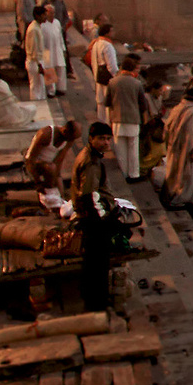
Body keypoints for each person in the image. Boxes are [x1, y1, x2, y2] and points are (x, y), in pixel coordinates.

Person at [71, 123, 119, 311]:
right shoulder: (90, 162)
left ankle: (92, 298)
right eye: (102, 139)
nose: (106, 143)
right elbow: (89, 196)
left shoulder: (92, 158)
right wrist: (104, 219)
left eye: (108, 138)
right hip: (92, 219)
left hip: (90, 215)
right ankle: (96, 302)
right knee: (97, 263)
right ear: (91, 139)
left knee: (93, 262)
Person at [105, 54, 152, 182]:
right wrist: (145, 120)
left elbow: (108, 103)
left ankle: (124, 174)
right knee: (133, 149)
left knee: (120, 150)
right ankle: (134, 174)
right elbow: (143, 105)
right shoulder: (137, 84)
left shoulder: (112, 82)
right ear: (132, 69)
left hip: (117, 119)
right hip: (133, 119)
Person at [160, 87, 193, 209]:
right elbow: (190, 135)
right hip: (184, 148)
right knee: (186, 175)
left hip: (172, 146)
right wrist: (191, 151)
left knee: (172, 173)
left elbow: (167, 128)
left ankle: (170, 197)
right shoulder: (192, 112)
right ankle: (178, 200)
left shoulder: (176, 108)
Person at [25, 119, 80, 193]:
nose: (72, 141)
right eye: (72, 138)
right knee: (51, 169)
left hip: (51, 166)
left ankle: (54, 195)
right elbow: (30, 159)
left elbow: (59, 161)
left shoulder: (69, 140)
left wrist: (57, 178)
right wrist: (38, 182)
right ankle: (47, 191)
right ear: (65, 132)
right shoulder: (45, 134)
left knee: (60, 191)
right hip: (35, 165)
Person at [23, 5, 50, 100]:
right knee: (36, 87)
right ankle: (36, 105)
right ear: (38, 16)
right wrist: (39, 65)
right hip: (34, 62)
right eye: (44, 15)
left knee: (40, 86)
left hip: (38, 61)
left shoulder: (37, 27)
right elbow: (34, 49)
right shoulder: (33, 29)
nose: (46, 17)